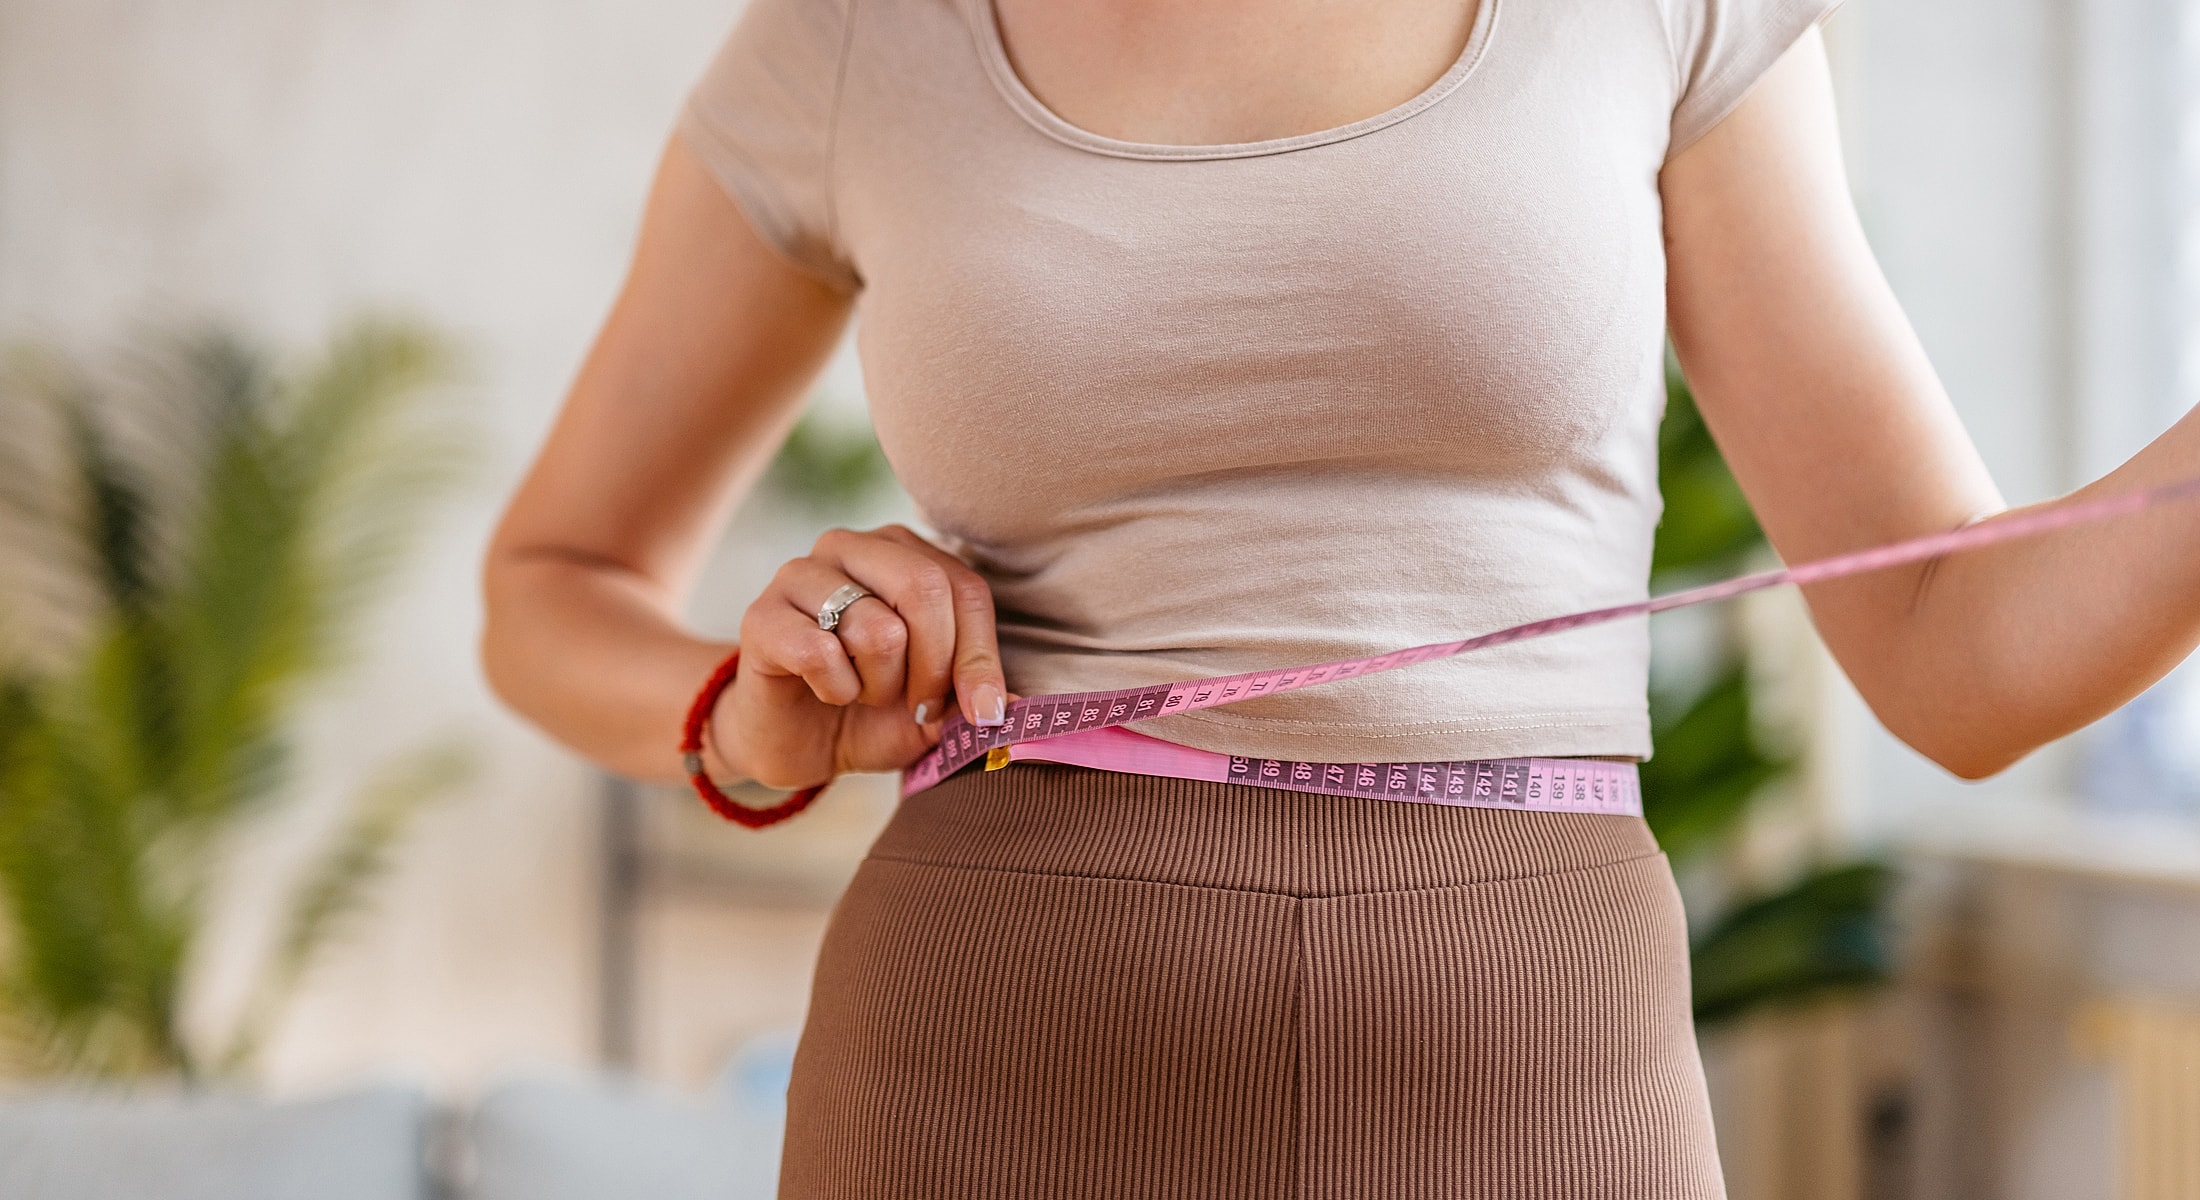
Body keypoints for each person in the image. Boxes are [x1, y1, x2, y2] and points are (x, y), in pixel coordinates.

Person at [480, 0, 2200, 1193]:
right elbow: (548, 586)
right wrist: (745, 709)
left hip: (1532, 1054)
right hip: (986, 1055)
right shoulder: (866, 37)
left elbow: (1948, 646)